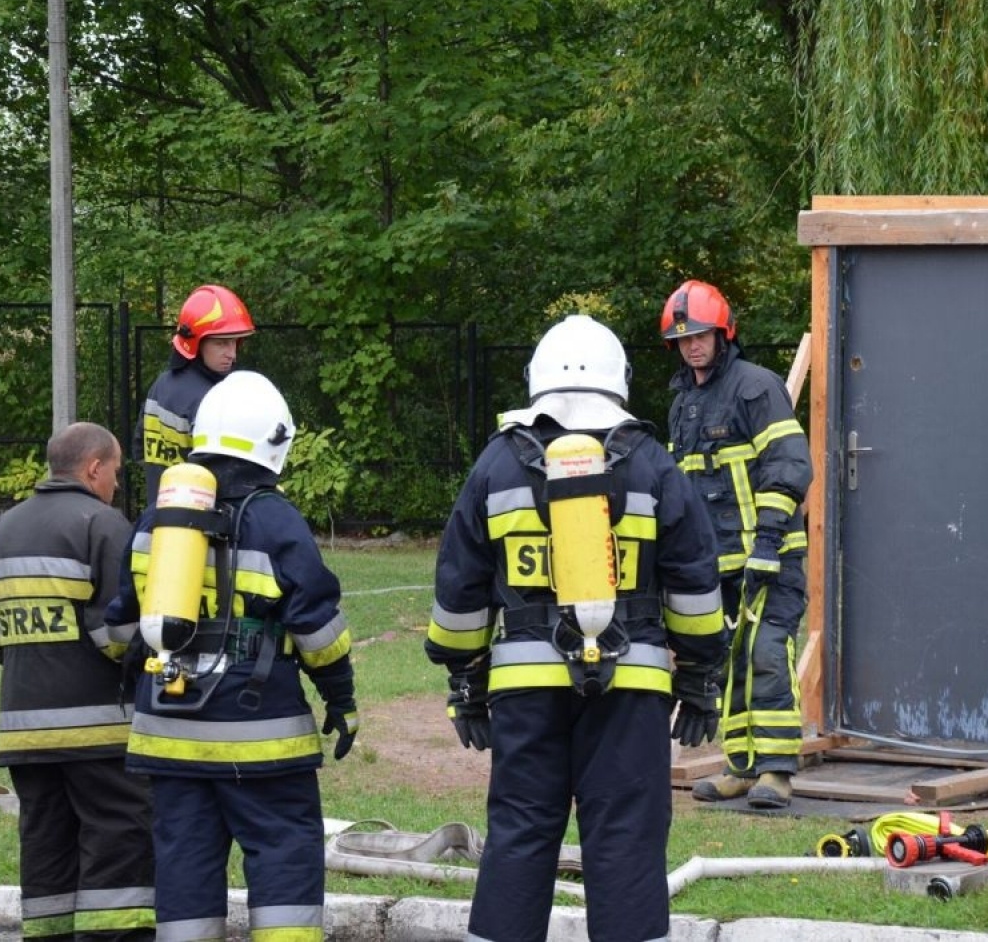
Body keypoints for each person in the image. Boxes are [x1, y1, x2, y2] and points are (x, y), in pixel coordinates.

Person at [425, 313, 728, 942]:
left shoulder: (497, 465)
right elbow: (695, 581)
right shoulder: (651, 464)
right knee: (625, 836)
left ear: (536, 379)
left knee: (520, 829)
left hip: (524, 689)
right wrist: (699, 675)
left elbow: (460, 588)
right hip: (632, 686)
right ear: (619, 379)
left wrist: (466, 680)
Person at [106, 370, 357, 940]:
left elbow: (121, 627)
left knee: (185, 865)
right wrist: (342, 699)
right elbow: (317, 627)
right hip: (261, 734)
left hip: (167, 734)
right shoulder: (275, 519)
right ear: (274, 441)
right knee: (283, 854)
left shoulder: (156, 521)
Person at [0, 422, 155, 939]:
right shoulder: (104, 523)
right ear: (95, 467)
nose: (116, 483)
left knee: (47, 849)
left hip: (24, 730)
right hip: (99, 733)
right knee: (118, 841)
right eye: (115, 471)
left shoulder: (4, 527)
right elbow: (118, 635)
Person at [660, 280, 813, 810]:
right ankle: (740, 766)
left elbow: (790, 465)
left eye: (700, 335)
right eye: (682, 338)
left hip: (770, 552)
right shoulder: (683, 401)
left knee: (768, 651)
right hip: (715, 562)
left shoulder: (756, 387)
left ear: (723, 334)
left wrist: (768, 540)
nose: (692, 346)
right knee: (728, 660)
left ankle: (777, 772)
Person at [136, 283, 255, 506]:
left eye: (235, 342)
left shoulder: (160, 386)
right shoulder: (214, 399)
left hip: (159, 512)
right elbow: (227, 475)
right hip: (200, 525)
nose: (232, 354)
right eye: (221, 343)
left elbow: (139, 448)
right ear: (195, 343)